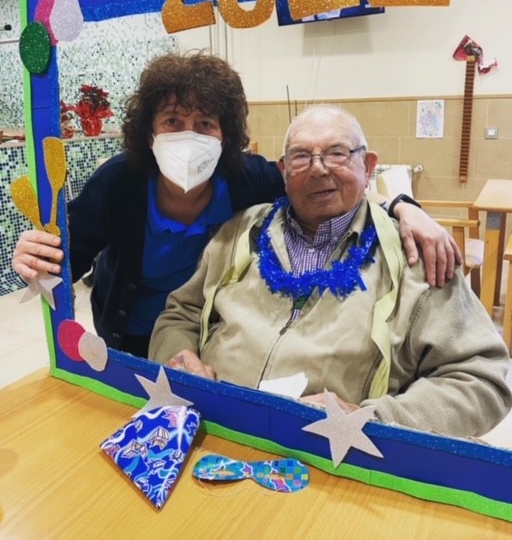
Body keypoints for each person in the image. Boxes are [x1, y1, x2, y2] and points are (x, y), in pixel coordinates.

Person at [13, 53, 458, 358]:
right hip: (127, 334)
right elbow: (62, 257)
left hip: (211, 336)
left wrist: (403, 206)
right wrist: (33, 258)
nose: (188, 135)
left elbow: (332, 189)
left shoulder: (250, 180)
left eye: (205, 123)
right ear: (149, 132)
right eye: (172, 121)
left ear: (225, 135)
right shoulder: (119, 182)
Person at [149, 104, 511, 438]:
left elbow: (481, 378)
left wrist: (373, 419)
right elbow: (182, 312)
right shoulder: (241, 232)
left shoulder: (418, 255)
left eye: (337, 153)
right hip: (208, 434)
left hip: (331, 458)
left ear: (368, 166)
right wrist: (177, 356)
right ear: (283, 172)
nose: (319, 168)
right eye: (301, 156)